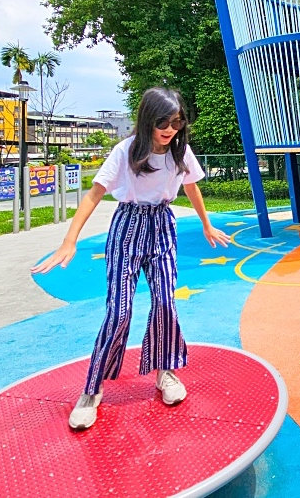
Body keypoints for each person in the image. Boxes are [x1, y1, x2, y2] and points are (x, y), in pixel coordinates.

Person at [32, 87, 231, 430]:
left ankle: (165, 373)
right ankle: (91, 391)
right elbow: (94, 195)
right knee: (119, 311)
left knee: (166, 303)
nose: (170, 129)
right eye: (163, 123)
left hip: (162, 226)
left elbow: (192, 186)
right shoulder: (125, 151)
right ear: (147, 121)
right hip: (128, 226)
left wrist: (207, 224)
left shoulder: (180, 152)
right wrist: (69, 241)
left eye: (177, 122)